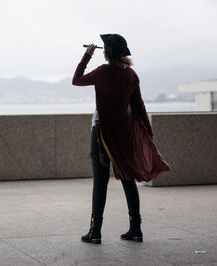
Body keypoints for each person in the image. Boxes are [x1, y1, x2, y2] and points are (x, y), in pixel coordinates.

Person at [72, 34, 170, 244]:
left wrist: (86, 56)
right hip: (124, 133)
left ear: (107, 52)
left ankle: (95, 231)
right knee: (128, 179)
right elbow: (139, 106)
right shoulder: (132, 75)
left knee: (100, 182)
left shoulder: (104, 72)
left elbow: (76, 80)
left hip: (102, 134)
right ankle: (136, 229)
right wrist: (148, 132)